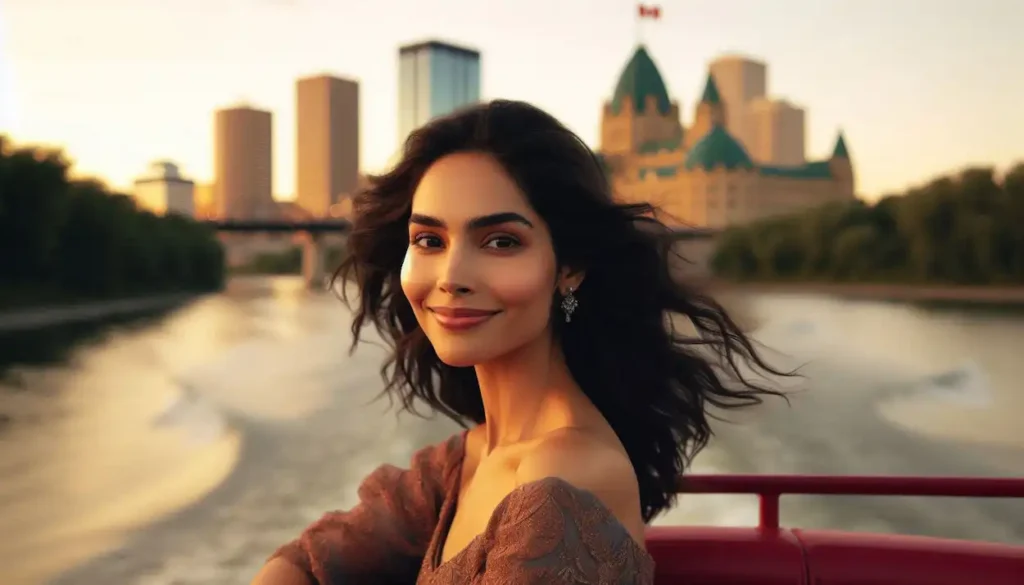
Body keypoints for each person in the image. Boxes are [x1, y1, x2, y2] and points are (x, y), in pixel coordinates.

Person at [251, 100, 787, 585]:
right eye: (429, 240)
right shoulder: (463, 463)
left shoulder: (567, 478)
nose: (451, 276)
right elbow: (303, 564)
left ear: (569, 267)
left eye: (501, 241)